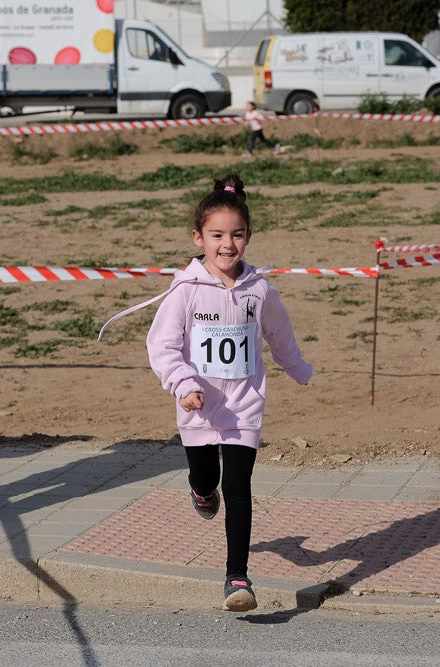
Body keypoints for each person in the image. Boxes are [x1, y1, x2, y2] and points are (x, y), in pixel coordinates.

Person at [100, 174, 312, 611]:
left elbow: (279, 333)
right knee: (206, 478)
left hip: (243, 407)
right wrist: (183, 384)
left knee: (238, 486)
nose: (227, 245)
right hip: (197, 406)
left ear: (248, 237)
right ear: (199, 237)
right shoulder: (186, 290)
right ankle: (200, 491)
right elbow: (162, 345)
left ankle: (238, 578)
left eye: (237, 235)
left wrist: (298, 368)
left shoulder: (259, 290)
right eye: (217, 235)